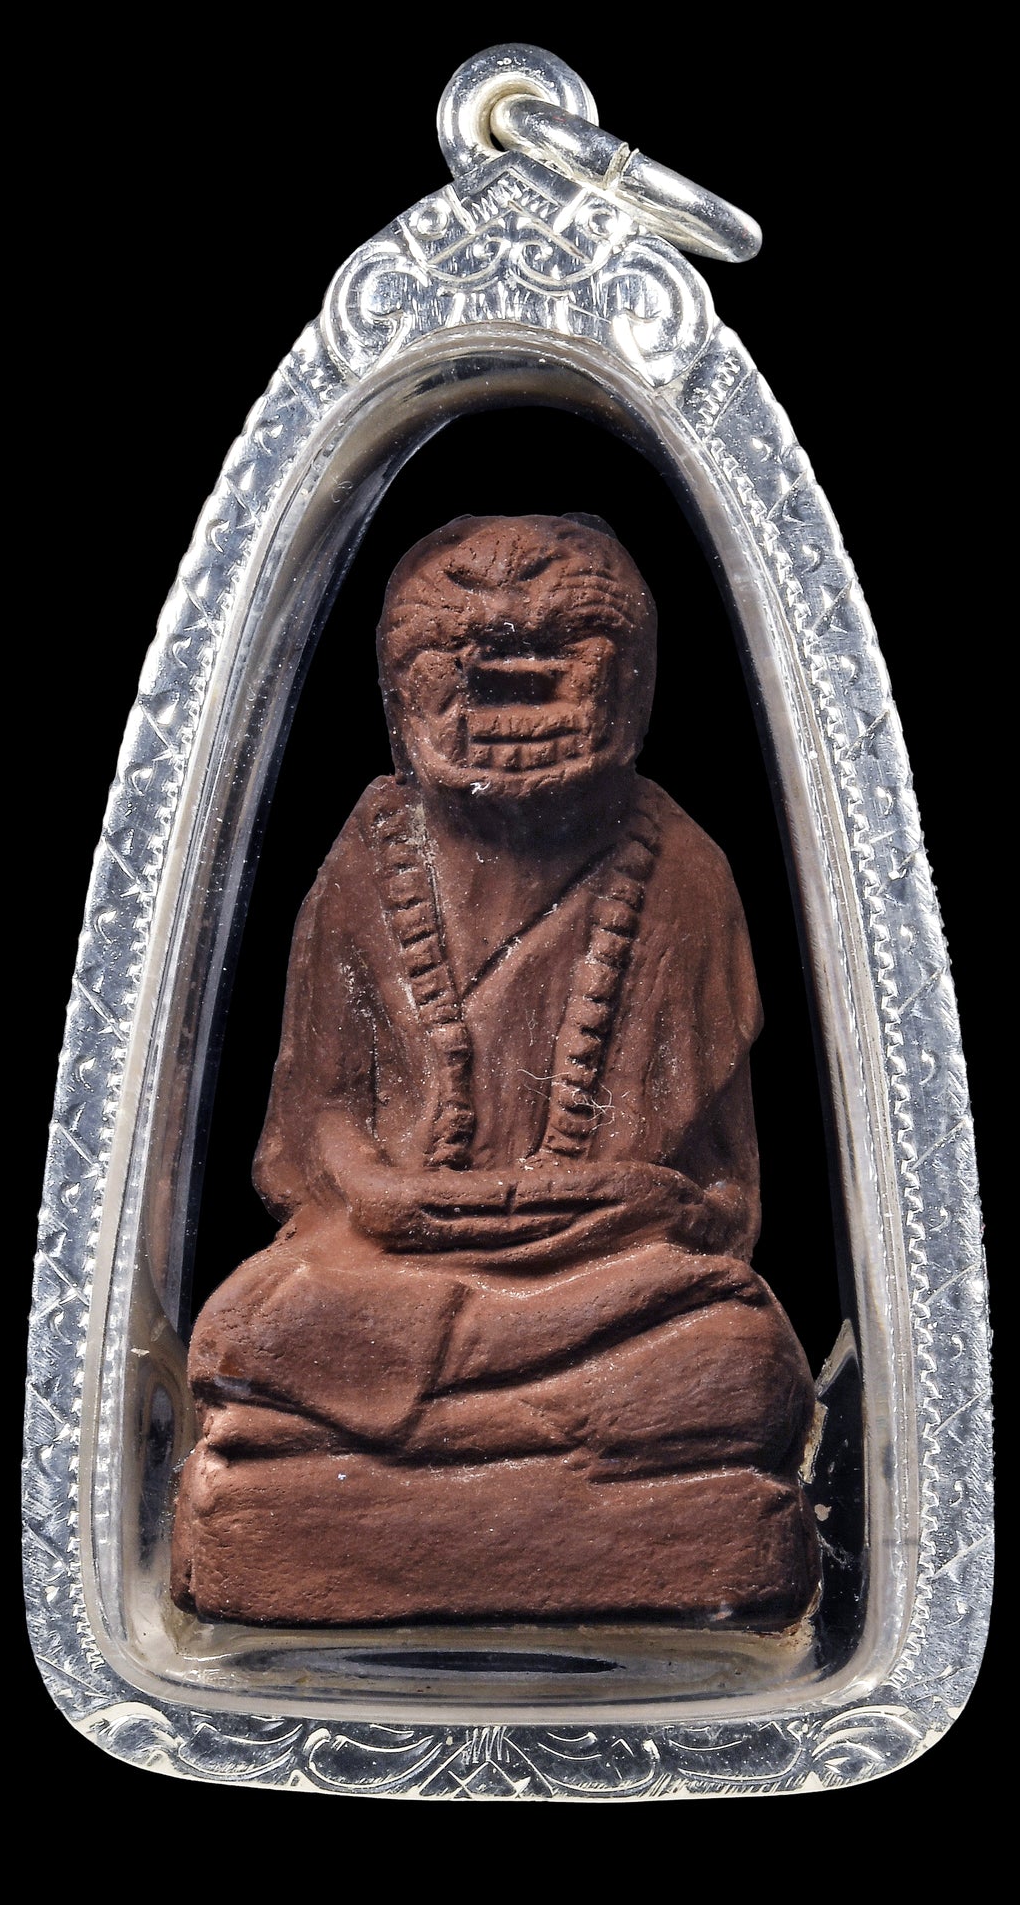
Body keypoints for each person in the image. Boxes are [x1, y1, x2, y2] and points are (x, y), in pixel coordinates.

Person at [172, 514, 819, 1625]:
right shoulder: (368, 857)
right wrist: (379, 1193)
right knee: (248, 1330)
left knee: (739, 1359)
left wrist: (629, 1203)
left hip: (605, 1269)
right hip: (390, 1257)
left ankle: (421, 1462)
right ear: (398, 694)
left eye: (559, 655)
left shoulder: (685, 870)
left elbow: (719, 1191)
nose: (516, 686)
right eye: (470, 662)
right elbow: (317, 1117)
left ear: (633, 683)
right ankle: (543, 1466)